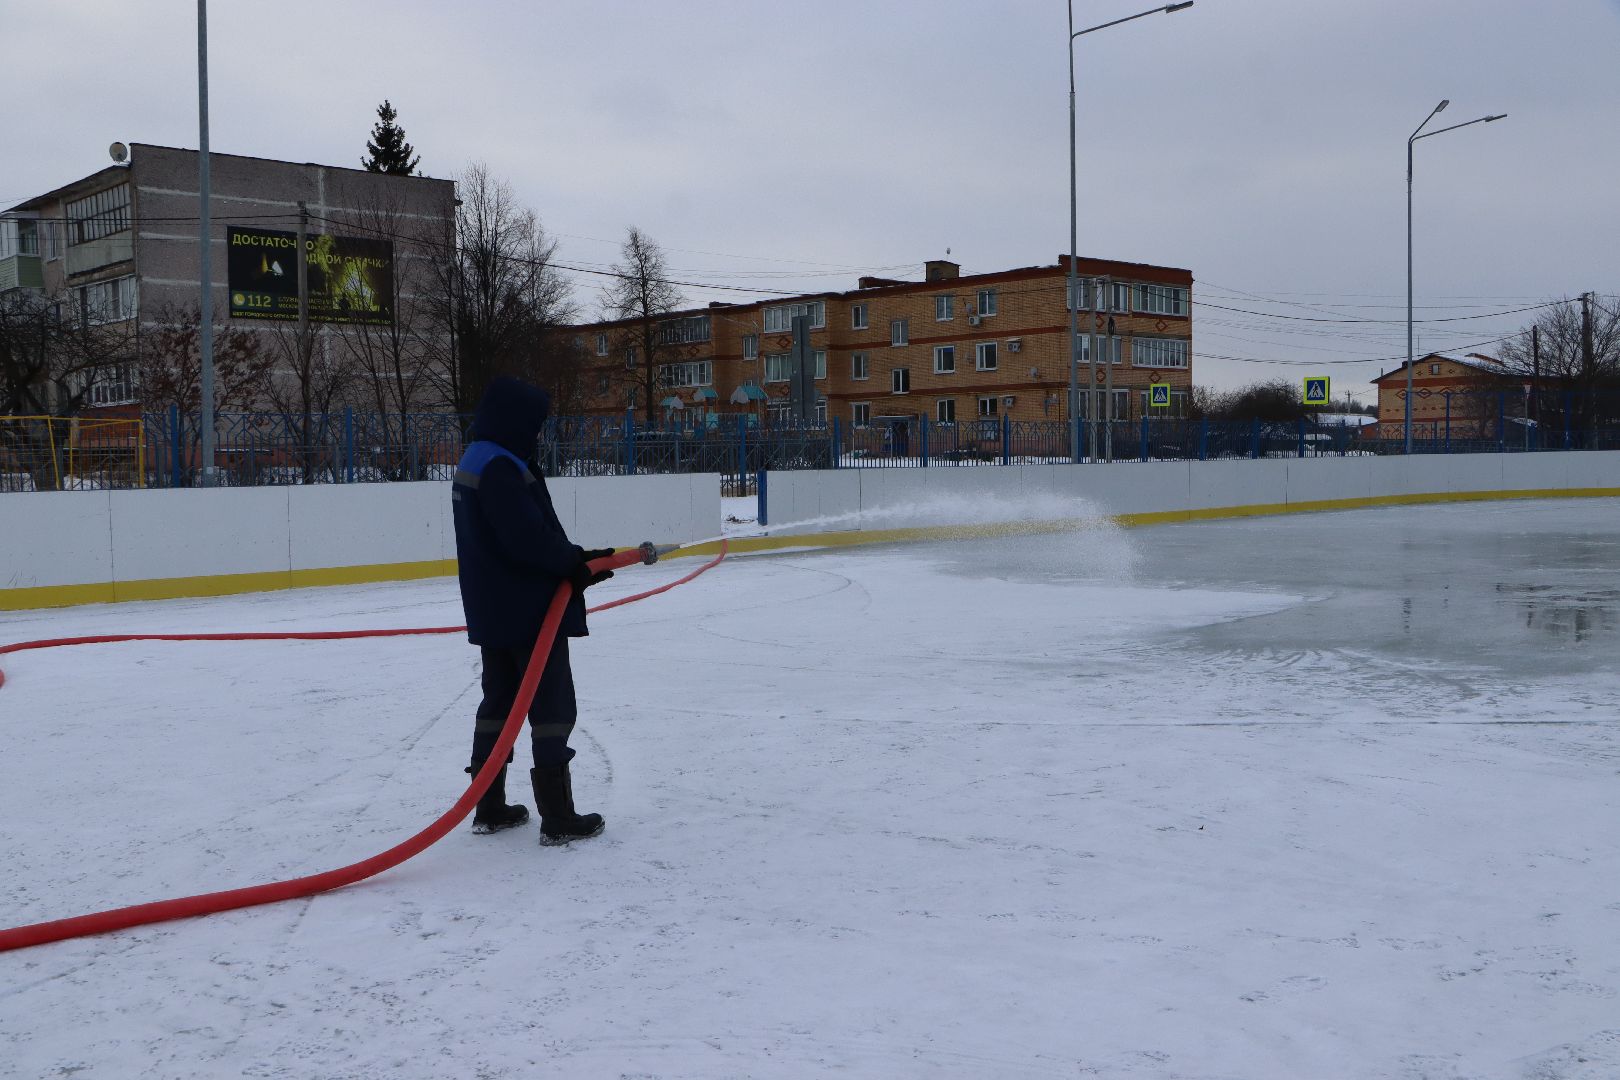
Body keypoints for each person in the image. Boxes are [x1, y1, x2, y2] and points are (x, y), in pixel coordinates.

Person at [451, 376, 615, 845]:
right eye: (536, 424)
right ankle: (559, 817)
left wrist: (577, 561)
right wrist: (573, 563)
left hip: (491, 605)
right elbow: (525, 539)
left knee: (498, 703)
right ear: (515, 421)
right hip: (528, 609)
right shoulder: (502, 466)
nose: (539, 433)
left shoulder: (477, 458)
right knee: (551, 706)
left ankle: (490, 805)